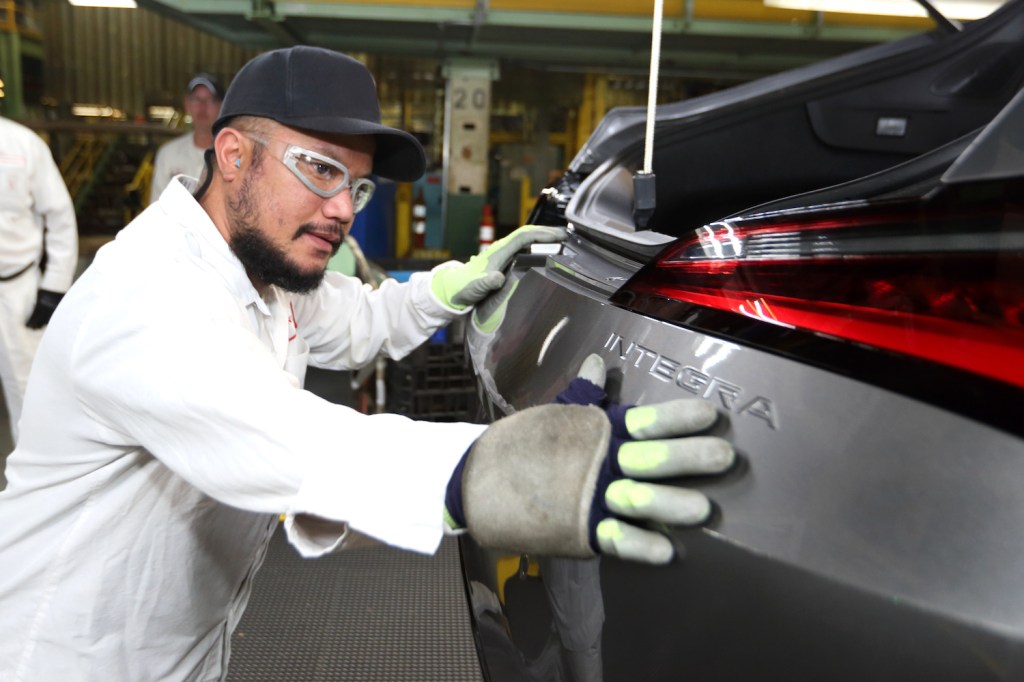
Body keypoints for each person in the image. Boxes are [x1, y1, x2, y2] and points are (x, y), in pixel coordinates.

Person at [0, 46, 734, 680]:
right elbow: (288, 436)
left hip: (180, 648)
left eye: (355, 185)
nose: (344, 208)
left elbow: (359, 320)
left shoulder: (260, 266)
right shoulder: (145, 296)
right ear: (232, 155)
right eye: (319, 169)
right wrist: (493, 467)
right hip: (62, 658)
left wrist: (454, 283)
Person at [0, 115, 78, 443]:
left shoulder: (22, 144)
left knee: (27, 392)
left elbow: (60, 215)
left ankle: (29, 485)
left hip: (15, 290)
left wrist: (53, 287)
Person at [148, 72, 224, 203]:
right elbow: (156, 206)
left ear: (221, 105)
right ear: (187, 105)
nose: (202, 106)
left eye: (210, 100)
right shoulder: (168, 154)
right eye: (196, 99)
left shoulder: (231, 156)